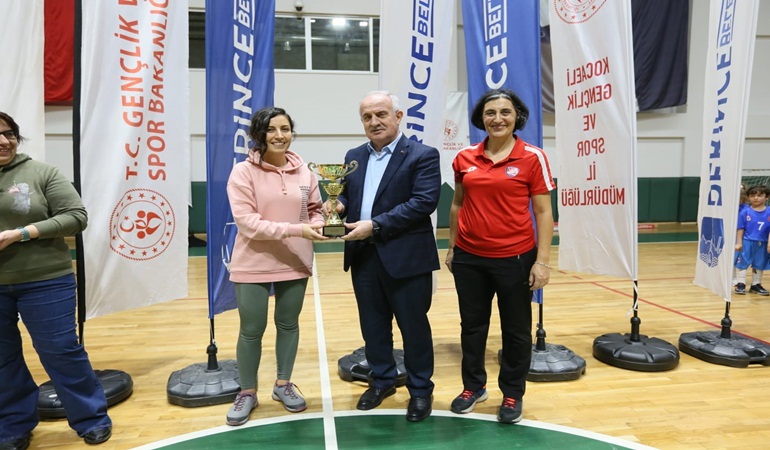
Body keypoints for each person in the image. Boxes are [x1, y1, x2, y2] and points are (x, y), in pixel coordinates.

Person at [325, 91, 441, 422]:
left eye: (381, 114)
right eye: (367, 117)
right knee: (373, 326)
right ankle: (382, 380)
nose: (374, 122)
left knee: (413, 327)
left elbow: (423, 202)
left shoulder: (423, 155)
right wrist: (338, 205)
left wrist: (375, 226)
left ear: (398, 116)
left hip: (406, 258)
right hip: (363, 256)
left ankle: (420, 390)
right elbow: (348, 196)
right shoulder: (354, 156)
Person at [0, 111, 112, 449]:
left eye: (9, 134)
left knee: (61, 351)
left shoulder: (41, 172)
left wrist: (21, 233)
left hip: (46, 280)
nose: (3, 141)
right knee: (2, 358)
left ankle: (91, 418)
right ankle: (13, 426)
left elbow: (76, 216)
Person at [445, 89, 555, 424]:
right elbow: (457, 204)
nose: (498, 119)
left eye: (505, 112)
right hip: (469, 258)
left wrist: (542, 261)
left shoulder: (533, 157)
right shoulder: (464, 157)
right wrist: (452, 247)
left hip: (515, 259)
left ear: (516, 116)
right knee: (472, 327)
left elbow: (543, 212)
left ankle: (512, 393)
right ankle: (473, 387)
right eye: (490, 113)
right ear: (481, 118)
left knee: (516, 330)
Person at [224, 107, 327, 426]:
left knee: (288, 324)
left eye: (285, 129)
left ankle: (283, 384)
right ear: (259, 134)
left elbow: (314, 210)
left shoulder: (305, 172)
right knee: (251, 330)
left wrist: (321, 222)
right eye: (271, 129)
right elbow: (248, 223)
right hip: (253, 262)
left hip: (295, 260)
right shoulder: (243, 172)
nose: (280, 135)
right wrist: (298, 229)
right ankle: (247, 392)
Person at [734, 184, 770, 295]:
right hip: (747, 241)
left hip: (763, 242)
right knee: (742, 262)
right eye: (752, 196)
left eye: (759, 195)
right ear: (748, 197)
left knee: (759, 263)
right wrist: (739, 242)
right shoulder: (745, 211)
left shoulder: (769, 211)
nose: (755, 198)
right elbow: (740, 228)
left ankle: (756, 284)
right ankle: (740, 284)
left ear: (767, 197)